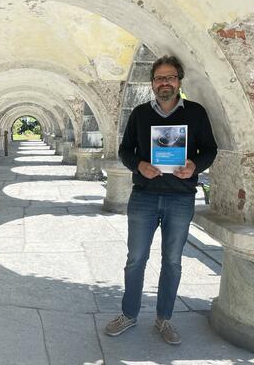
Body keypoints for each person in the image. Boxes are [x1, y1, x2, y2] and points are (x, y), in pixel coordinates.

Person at [105, 56, 217, 345]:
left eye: (170, 78)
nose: (164, 83)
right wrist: (139, 165)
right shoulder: (141, 114)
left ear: (179, 81)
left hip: (180, 198)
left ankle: (164, 318)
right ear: (152, 83)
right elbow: (125, 150)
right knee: (135, 259)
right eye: (159, 78)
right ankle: (128, 314)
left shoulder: (195, 113)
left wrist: (195, 165)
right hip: (144, 196)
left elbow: (209, 149)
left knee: (172, 261)